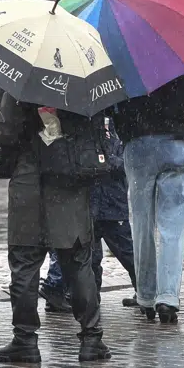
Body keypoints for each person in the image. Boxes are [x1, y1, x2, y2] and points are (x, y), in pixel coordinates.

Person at [0, 94, 110, 363]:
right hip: (69, 179)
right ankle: (91, 338)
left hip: (28, 182)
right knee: (77, 261)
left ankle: (25, 339)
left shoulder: (23, 82)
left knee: (24, 263)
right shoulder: (84, 83)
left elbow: (6, 132)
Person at [113, 62, 184, 323]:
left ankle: (146, 295)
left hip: (138, 143)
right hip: (177, 142)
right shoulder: (181, 49)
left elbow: (110, 98)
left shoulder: (122, 49)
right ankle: (168, 297)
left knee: (142, 223)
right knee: (173, 226)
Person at [39, 121, 136, 312]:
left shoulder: (112, 128)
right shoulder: (80, 128)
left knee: (127, 252)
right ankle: (89, 296)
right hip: (90, 204)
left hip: (111, 204)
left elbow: (123, 163)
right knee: (91, 255)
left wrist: (104, 162)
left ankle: (146, 290)